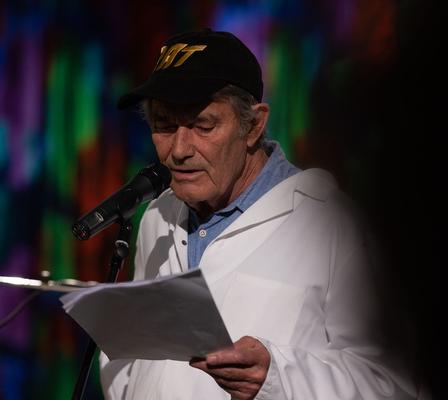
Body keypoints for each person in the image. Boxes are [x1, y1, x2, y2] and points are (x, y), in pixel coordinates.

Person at [99, 29, 424, 400]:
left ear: (253, 125)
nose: (180, 149)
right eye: (164, 125)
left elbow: (394, 384)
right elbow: (136, 360)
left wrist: (276, 377)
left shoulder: (335, 225)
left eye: (203, 125)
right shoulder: (158, 216)